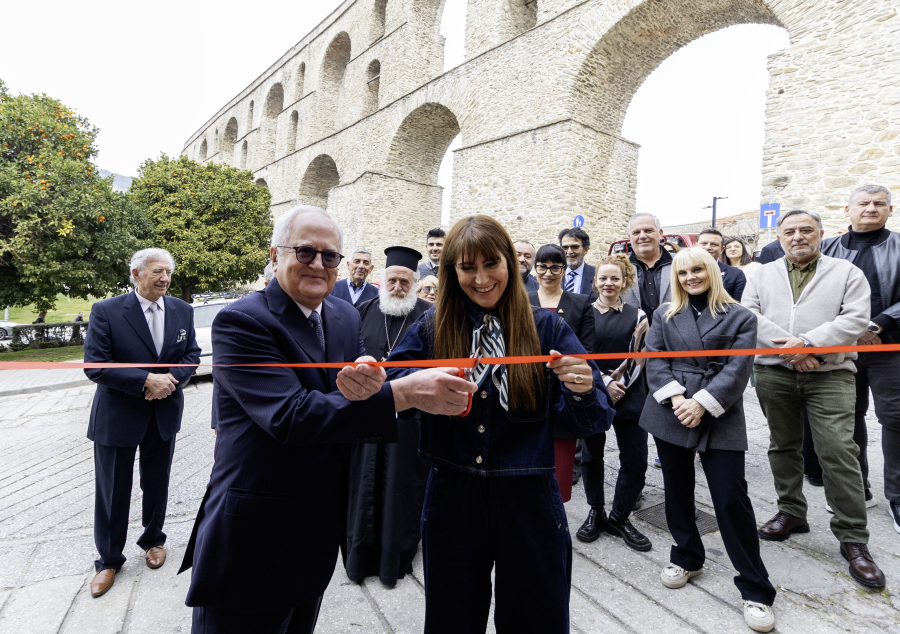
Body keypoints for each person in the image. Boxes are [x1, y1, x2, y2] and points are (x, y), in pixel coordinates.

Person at [180, 206, 476, 633]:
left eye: (329, 256)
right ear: (275, 254)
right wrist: (403, 392)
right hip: (254, 536)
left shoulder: (342, 315)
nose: (318, 264)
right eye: (305, 252)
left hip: (316, 530)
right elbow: (291, 416)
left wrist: (372, 376)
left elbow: (351, 392)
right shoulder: (243, 320)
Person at [386, 215, 614, 634]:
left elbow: (594, 417)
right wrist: (409, 386)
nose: (481, 278)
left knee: (536, 617)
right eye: (467, 267)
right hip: (453, 495)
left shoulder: (548, 326)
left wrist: (582, 390)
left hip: (529, 497)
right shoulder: (432, 327)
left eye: (491, 263)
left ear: (510, 262)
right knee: (451, 617)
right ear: (451, 271)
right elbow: (392, 388)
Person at [743, 209, 886, 589]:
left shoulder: (846, 273)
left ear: (821, 234)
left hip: (832, 373)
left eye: (806, 230)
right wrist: (791, 351)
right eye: (789, 231)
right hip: (774, 372)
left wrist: (809, 344)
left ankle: (853, 537)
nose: (797, 236)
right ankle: (791, 511)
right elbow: (749, 316)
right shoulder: (762, 273)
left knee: (838, 450)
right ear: (779, 236)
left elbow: (856, 319)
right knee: (782, 445)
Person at [640, 247, 777, 633]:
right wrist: (680, 399)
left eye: (698, 270)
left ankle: (755, 588)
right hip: (671, 409)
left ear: (712, 272)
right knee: (676, 488)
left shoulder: (741, 316)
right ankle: (686, 556)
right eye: (683, 273)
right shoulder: (664, 315)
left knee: (731, 497)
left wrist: (702, 402)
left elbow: (738, 368)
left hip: (720, 409)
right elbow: (655, 359)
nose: (690, 278)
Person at [83, 248, 201, 598]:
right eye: (156, 272)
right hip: (118, 416)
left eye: (168, 272)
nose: (164, 278)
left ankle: (153, 540)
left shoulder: (183, 310)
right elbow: (96, 365)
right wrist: (145, 380)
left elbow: (192, 355)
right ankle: (108, 560)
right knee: (112, 491)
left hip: (163, 412)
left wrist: (169, 380)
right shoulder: (106, 311)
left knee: (157, 483)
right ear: (136, 274)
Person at [345, 247, 433, 586]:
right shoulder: (363, 310)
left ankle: (395, 561)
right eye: (392, 280)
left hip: (411, 422)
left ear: (414, 283)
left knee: (401, 487)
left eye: (404, 281)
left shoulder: (430, 315)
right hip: (366, 415)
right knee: (364, 485)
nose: (397, 286)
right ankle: (358, 557)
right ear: (383, 281)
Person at [822, 184, 900, 533]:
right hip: (841, 346)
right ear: (847, 209)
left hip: (889, 346)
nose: (871, 208)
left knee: (895, 418)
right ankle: (856, 489)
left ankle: (897, 496)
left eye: (879, 203)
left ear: (889, 210)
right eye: (864, 203)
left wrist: (880, 323)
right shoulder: (827, 248)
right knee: (845, 420)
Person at [576, 254, 651, 552]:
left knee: (635, 458)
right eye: (603, 278)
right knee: (592, 455)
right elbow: (580, 352)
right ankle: (596, 510)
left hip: (629, 393)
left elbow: (638, 356)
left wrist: (619, 385)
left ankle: (620, 516)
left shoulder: (638, 315)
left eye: (615, 278)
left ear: (625, 281)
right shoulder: (583, 312)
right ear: (595, 281)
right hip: (593, 391)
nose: (609, 283)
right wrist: (604, 383)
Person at [527, 244, 596, 501]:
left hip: (563, 391)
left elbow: (586, 349)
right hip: (528, 389)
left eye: (555, 267)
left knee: (558, 478)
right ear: (535, 270)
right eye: (543, 266)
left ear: (564, 270)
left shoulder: (581, 303)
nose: (548, 272)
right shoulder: (523, 301)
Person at [622, 213, 671, 327]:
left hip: (674, 340)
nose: (642, 236)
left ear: (660, 233)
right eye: (636, 232)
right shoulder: (620, 268)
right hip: (634, 339)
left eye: (648, 230)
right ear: (630, 238)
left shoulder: (681, 263)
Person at [696, 228, 746, 301]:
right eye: (704, 243)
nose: (708, 247)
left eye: (714, 244)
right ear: (696, 245)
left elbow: (738, 305)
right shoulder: (681, 271)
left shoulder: (736, 274)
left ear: (722, 249)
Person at [558, 227, 595, 295]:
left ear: (586, 249)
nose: (569, 252)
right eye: (565, 248)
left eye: (575, 247)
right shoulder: (554, 274)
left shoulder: (596, 275)